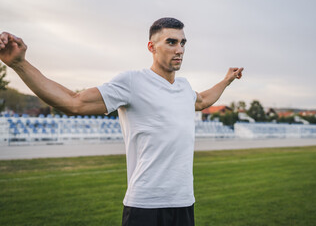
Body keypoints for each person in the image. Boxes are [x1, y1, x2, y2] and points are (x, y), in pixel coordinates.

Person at [0, 17, 243, 226]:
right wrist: (19, 64)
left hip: (184, 203)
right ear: (152, 47)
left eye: (182, 42)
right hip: (146, 206)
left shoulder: (183, 86)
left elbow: (201, 100)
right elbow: (73, 102)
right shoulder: (132, 82)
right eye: (171, 42)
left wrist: (226, 80)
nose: (179, 49)